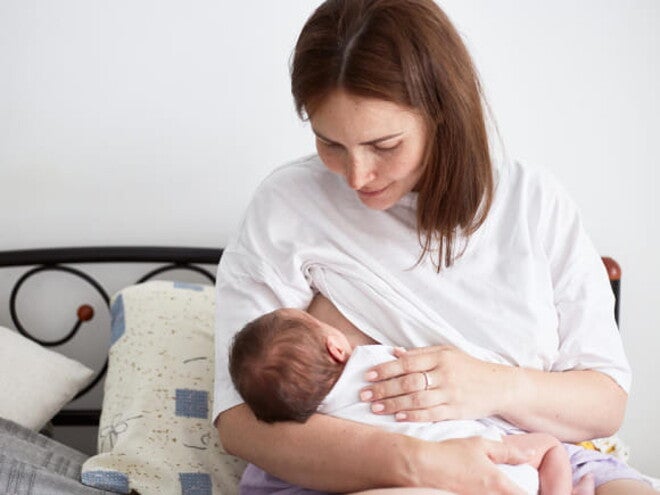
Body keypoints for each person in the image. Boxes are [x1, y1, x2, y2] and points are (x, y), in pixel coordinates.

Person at [213, 0, 657, 494]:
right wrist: (421, 463)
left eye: (384, 146)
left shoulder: (533, 203)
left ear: (442, 115)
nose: (357, 176)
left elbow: (605, 403)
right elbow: (237, 420)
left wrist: (494, 384)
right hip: (359, 464)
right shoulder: (287, 205)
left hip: (533, 453)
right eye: (330, 143)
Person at [229, 306, 589, 495]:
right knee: (549, 446)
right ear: (336, 347)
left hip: (435, 483)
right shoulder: (373, 362)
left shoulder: (314, 423)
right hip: (498, 465)